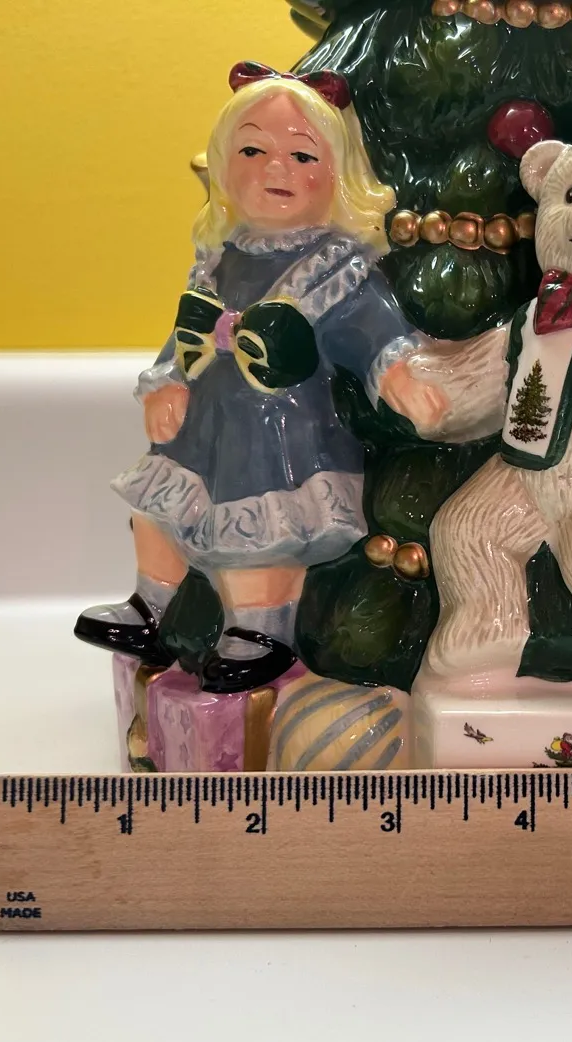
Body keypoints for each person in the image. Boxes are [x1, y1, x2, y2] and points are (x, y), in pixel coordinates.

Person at [75, 62, 445, 691]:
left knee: (262, 538)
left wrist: (399, 376)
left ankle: (261, 628)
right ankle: (150, 603)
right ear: (223, 168)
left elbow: (370, 329)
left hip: (284, 437)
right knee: (157, 513)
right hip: (204, 427)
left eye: (302, 156)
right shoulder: (219, 260)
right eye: (253, 150)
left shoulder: (335, 268)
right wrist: (168, 383)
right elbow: (186, 333)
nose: (277, 169)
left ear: (339, 176)